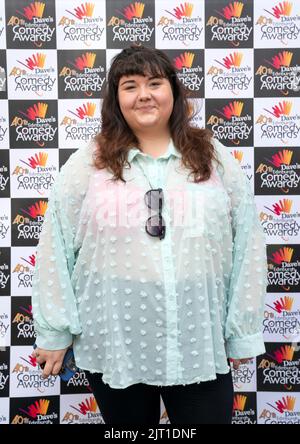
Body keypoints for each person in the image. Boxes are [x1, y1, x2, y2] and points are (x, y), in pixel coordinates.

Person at [31, 44, 267, 424]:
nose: (144, 94)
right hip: (116, 339)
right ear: (115, 98)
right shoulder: (87, 164)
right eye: (130, 85)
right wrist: (55, 331)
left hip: (197, 341)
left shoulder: (214, 157)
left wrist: (241, 330)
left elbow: (248, 244)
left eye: (155, 83)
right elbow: (55, 246)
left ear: (173, 90)